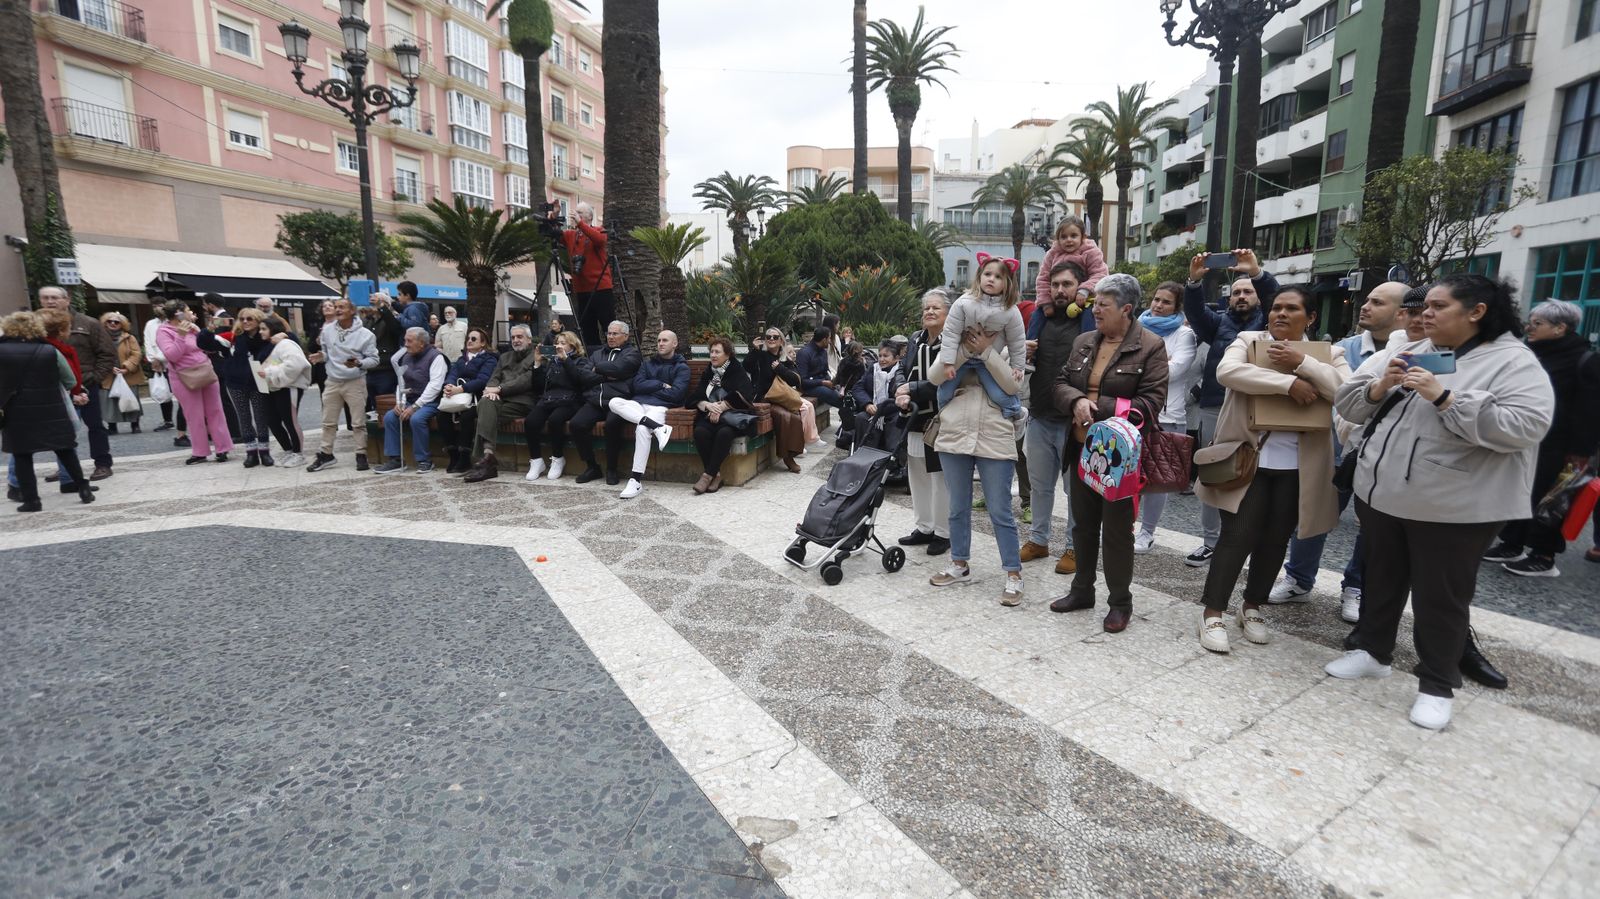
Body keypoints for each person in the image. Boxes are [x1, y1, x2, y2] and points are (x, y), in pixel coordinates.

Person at [1328, 274, 1553, 730]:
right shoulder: (1407, 349)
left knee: (1441, 599)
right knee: (1382, 580)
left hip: (1455, 507)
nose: (1423, 314)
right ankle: (1373, 651)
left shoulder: (1513, 362)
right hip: (1383, 495)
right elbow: (1348, 402)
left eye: (1437, 306)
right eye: (1422, 306)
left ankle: (1436, 684)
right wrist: (1377, 387)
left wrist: (1446, 398)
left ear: (1477, 312)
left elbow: (1525, 426)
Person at [1193, 286, 1350, 653]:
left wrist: (1304, 364)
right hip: (1248, 460)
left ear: (1310, 318)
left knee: (1276, 540)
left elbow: (1346, 391)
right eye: (1276, 307)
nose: (1280, 314)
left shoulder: (1330, 354)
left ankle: (1252, 607)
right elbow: (1227, 372)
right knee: (1237, 535)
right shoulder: (1248, 341)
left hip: (1299, 468)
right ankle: (1212, 612)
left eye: (1291, 309)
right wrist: (1288, 384)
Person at [1266, 281, 1405, 621]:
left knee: (1370, 526)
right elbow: (1341, 397)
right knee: (1313, 516)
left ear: (1401, 313)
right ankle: (1298, 578)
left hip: (1384, 455)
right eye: (1367, 299)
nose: (1365, 306)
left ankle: (1355, 586)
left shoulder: (1416, 352)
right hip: (1335, 446)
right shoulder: (1345, 347)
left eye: (1378, 302)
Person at [1047, 274, 1169, 632]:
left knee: (1117, 532)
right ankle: (1082, 590)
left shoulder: (1151, 346)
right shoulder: (1085, 341)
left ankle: (1120, 603)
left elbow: (1151, 403)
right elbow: (1059, 384)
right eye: (1095, 303)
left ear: (1126, 310)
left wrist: (1095, 405)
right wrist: (1076, 400)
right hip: (1082, 450)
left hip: (1119, 459)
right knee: (1082, 527)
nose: (1094, 309)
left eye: (1103, 304)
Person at [1482, 299, 1600, 577]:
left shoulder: (1584, 359)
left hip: (1565, 449)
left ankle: (1543, 556)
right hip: (1532, 440)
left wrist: (1580, 453)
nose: (1529, 328)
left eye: (1538, 324)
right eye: (1530, 322)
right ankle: (1512, 543)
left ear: (1560, 328)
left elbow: (1590, 411)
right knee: (1521, 492)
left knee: (1552, 501)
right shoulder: (1533, 353)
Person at [1181, 250, 1280, 566]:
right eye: (1235, 292)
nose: (1240, 296)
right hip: (1215, 406)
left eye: (1247, 291)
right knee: (1213, 473)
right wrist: (1195, 283)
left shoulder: (1268, 323)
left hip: (1258, 411)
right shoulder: (1218, 323)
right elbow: (1195, 314)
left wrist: (1257, 275)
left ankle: (1247, 542)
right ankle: (1211, 542)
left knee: (1254, 478)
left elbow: (1275, 298)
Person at [929, 306, 1030, 606]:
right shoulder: (951, 346)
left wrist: (987, 352)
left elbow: (1014, 385)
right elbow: (935, 377)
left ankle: (1013, 572)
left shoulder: (1007, 347)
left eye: (985, 325)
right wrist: (962, 350)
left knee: (1000, 510)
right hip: (954, 433)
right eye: (972, 325)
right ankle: (959, 563)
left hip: (994, 434)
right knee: (957, 506)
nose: (979, 328)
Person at [1022, 261, 1095, 573]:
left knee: (1075, 490)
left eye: (1066, 284)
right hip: (1039, 415)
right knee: (1040, 486)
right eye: (1055, 285)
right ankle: (1039, 540)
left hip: (1073, 422)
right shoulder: (1041, 319)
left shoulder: (1088, 321)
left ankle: (1073, 547)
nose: (1060, 291)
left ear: (1079, 287)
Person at [0, 311, 97, 511]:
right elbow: (70, 380)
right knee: (65, 449)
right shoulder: (49, 350)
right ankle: (83, 487)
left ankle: (31, 500)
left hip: (15, 410)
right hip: (51, 408)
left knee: (22, 455)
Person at [1133, 281, 1198, 554]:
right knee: (1130, 473)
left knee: (1158, 479)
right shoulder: (1137, 326)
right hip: (1136, 409)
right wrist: (1160, 361)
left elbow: (1175, 371)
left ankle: (1147, 532)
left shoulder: (1185, 335)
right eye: (1156, 299)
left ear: (1177, 306)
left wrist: (1141, 365)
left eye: (1166, 302)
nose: (1158, 305)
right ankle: (1125, 524)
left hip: (1168, 414)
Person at [894, 290, 953, 555]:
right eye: (926, 308)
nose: (929, 312)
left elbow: (947, 380)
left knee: (940, 476)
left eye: (935, 308)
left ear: (948, 313)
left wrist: (911, 389)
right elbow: (900, 370)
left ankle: (943, 532)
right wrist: (899, 390)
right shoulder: (915, 339)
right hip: (913, 417)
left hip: (941, 418)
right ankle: (924, 526)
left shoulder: (952, 341)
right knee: (916, 473)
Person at [937, 253, 1028, 425]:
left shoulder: (1010, 311)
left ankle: (1016, 412)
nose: (991, 279)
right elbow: (951, 332)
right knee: (944, 391)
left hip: (987, 360)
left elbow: (1017, 341)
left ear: (1007, 283)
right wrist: (948, 362)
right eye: (987, 274)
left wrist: (1017, 366)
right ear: (979, 276)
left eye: (998, 276)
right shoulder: (963, 302)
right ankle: (942, 417)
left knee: (998, 394)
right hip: (961, 357)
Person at [37, 286, 116, 481]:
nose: (50, 301)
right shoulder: (36, 325)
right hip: (54, 386)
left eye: (54, 297)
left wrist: (95, 377)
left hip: (86, 382)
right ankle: (66, 467)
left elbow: (107, 353)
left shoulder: (88, 323)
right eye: (45, 298)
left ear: (67, 300)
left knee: (95, 425)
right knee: (61, 429)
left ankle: (102, 463)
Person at [608, 329, 690, 498]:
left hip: (660, 407)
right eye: (659, 340)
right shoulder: (647, 364)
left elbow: (676, 395)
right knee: (614, 402)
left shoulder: (682, 367)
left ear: (675, 344)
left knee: (643, 429)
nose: (660, 343)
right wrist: (661, 385)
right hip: (638, 404)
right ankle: (658, 428)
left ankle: (635, 481)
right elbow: (637, 386)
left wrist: (650, 387)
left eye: (665, 340)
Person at [154, 301, 234, 464]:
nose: (192, 313)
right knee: (194, 414)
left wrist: (205, 332)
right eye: (188, 310)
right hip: (184, 377)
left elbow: (208, 348)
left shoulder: (193, 327)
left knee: (216, 411)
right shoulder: (164, 331)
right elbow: (172, 355)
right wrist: (181, 336)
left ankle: (222, 449)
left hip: (205, 370)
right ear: (178, 314)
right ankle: (200, 452)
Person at [306, 299, 379, 472]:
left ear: (352, 311)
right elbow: (327, 353)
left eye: (342, 307)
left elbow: (374, 359)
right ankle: (326, 454)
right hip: (332, 380)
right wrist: (320, 356)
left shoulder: (366, 335)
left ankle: (361, 454)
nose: (338, 310)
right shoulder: (327, 330)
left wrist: (359, 363)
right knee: (328, 421)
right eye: (336, 307)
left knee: (358, 422)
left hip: (355, 381)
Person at [463, 325, 542, 482]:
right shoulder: (504, 357)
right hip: (500, 399)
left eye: (519, 337)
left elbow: (526, 381)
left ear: (529, 339)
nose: (516, 340)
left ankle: (485, 463)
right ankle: (488, 456)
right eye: (513, 337)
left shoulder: (536, 356)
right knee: (485, 403)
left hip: (522, 401)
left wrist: (498, 389)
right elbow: (494, 376)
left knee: (483, 417)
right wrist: (490, 390)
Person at [570, 320, 642, 483]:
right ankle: (592, 467)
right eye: (608, 333)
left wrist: (600, 369)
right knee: (576, 424)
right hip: (595, 400)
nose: (610, 337)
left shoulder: (632, 353)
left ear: (625, 336)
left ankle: (612, 469)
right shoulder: (597, 353)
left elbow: (620, 369)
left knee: (612, 425)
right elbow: (584, 376)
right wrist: (607, 374)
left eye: (615, 333)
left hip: (618, 401)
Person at [374, 327, 447, 473]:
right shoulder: (406, 357)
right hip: (410, 399)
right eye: (405, 340)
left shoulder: (436, 357)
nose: (405, 344)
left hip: (430, 401)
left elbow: (435, 387)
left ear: (421, 343)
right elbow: (401, 382)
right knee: (390, 417)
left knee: (417, 419)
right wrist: (399, 403)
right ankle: (395, 459)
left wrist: (414, 407)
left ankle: (424, 460)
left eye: (409, 341)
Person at [523, 331, 592, 481]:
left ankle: (558, 458)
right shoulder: (551, 362)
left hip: (571, 400)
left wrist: (566, 360)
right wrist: (537, 363)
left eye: (563, 343)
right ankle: (536, 460)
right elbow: (539, 386)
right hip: (549, 399)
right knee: (531, 421)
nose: (558, 346)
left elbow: (578, 380)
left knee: (555, 420)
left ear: (572, 345)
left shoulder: (581, 361)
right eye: (557, 343)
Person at [690, 337, 757, 494]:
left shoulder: (736, 369)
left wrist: (722, 407)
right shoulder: (709, 372)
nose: (713, 355)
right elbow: (695, 396)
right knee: (700, 432)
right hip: (710, 415)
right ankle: (716, 475)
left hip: (734, 416)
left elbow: (747, 395)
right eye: (711, 352)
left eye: (717, 352)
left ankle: (707, 476)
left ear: (727, 355)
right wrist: (707, 406)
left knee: (724, 433)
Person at [744, 328, 807, 473]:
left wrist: (780, 369)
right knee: (784, 416)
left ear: (781, 341)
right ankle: (786, 458)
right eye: (768, 337)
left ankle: (793, 453)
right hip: (764, 398)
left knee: (796, 416)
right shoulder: (761, 355)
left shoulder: (784, 359)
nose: (771, 339)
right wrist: (754, 350)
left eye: (775, 337)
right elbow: (746, 366)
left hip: (782, 399)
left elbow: (796, 379)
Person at [437, 327, 498, 475]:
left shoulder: (489, 359)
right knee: (442, 415)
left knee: (467, 416)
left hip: (475, 398)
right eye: (468, 339)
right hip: (457, 396)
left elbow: (483, 380)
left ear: (483, 343)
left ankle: (464, 457)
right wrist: (449, 386)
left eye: (473, 339)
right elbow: (452, 374)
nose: (469, 341)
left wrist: (461, 389)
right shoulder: (461, 359)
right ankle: (453, 456)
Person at [218, 308, 274, 467]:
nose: (245, 322)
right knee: (243, 417)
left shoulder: (265, 336)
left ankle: (264, 453)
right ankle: (251, 453)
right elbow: (205, 342)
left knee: (261, 416)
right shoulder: (235, 336)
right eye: (242, 319)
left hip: (258, 379)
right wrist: (210, 328)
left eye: (249, 319)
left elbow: (288, 338)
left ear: (258, 320)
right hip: (235, 381)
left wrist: (284, 335)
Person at [258, 317, 311, 467]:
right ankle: (289, 450)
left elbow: (296, 364)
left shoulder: (286, 344)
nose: (260, 332)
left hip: (289, 387)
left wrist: (269, 372)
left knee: (290, 421)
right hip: (275, 387)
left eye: (264, 329)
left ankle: (298, 453)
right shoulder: (269, 345)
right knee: (272, 421)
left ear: (273, 329)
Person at [561, 202, 615, 347]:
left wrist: (580, 224)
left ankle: (616, 355)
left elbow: (599, 240)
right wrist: (551, 219)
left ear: (590, 216)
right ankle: (593, 359)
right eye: (575, 212)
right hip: (582, 290)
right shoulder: (571, 235)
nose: (576, 215)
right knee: (587, 329)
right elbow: (553, 236)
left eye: (580, 212)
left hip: (601, 288)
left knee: (609, 326)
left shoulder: (598, 230)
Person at [1032, 215, 1109, 313]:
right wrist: (1046, 302)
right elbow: (1043, 279)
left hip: (1085, 299)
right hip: (1058, 299)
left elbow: (1100, 274)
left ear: (1083, 237)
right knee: (1037, 315)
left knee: (1089, 315)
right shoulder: (1052, 254)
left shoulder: (1091, 252)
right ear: (1058, 239)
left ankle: (1088, 329)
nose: (1068, 240)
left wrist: (1084, 290)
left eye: (1073, 236)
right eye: (1063, 237)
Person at [96, 312, 144, 434]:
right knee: (109, 401)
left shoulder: (130, 338)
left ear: (122, 324)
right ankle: (112, 427)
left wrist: (126, 367)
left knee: (131, 399)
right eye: (109, 321)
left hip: (128, 374)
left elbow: (136, 354)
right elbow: (96, 355)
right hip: (108, 375)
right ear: (105, 323)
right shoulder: (98, 338)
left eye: (116, 321)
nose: (112, 323)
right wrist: (108, 367)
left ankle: (135, 425)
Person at [366, 291, 404, 421]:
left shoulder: (391, 318)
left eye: (376, 301)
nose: (372, 304)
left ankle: (387, 429)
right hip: (370, 369)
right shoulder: (369, 321)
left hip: (385, 369)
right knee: (375, 405)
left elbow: (395, 329)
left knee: (386, 403)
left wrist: (383, 308)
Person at [142, 311, 177, 433]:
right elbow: (148, 343)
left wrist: (160, 358)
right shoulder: (150, 324)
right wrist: (153, 360)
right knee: (163, 392)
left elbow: (170, 343)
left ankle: (185, 419)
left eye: (160, 305)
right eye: (155, 306)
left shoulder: (172, 323)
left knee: (179, 393)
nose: (157, 308)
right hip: (158, 364)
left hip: (172, 361)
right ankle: (168, 420)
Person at [796, 327, 843, 408]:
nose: (829, 342)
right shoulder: (804, 353)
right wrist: (822, 382)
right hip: (809, 387)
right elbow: (802, 381)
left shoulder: (823, 352)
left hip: (823, 384)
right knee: (837, 398)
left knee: (844, 391)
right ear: (824, 340)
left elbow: (825, 372)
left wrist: (832, 382)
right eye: (829, 339)